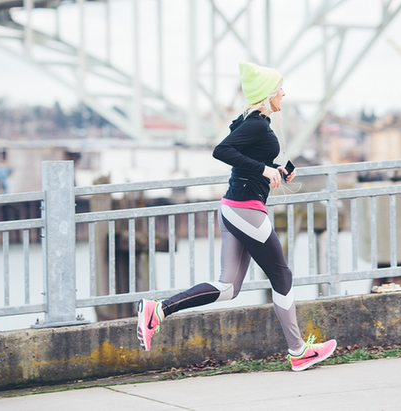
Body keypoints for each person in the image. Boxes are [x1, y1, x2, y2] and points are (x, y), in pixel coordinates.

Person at [137, 61, 337, 372]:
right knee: (282, 276)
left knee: (228, 287)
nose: (283, 93)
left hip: (234, 208)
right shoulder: (256, 123)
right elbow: (222, 151)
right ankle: (298, 351)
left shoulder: (258, 123)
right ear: (268, 94)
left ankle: (158, 310)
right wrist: (263, 169)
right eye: (279, 88)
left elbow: (248, 161)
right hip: (245, 210)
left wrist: (278, 171)